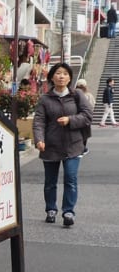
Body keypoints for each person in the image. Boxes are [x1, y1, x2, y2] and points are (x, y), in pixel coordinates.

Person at [32, 62, 92, 228]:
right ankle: (51, 209)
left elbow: (87, 116)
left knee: (70, 178)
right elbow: (39, 121)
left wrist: (70, 120)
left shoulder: (77, 95)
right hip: (51, 145)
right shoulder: (45, 98)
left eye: (65, 74)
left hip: (73, 145)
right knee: (50, 181)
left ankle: (68, 212)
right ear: (52, 77)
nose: (61, 76)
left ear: (69, 78)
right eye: (58, 73)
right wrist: (39, 139)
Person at [75, 78, 95, 154]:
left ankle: (78, 148)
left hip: (76, 118)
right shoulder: (88, 95)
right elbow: (92, 106)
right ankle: (82, 148)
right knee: (85, 134)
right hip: (85, 118)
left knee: (77, 133)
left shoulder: (73, 94)